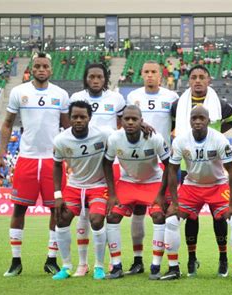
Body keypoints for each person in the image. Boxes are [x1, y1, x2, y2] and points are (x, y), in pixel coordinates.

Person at [0, 52, 70, 277]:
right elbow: (7, 124)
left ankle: (51, 259)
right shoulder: (19, 92)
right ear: (31, 68)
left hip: (53, 161)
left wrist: (70, 159)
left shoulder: (61, 94)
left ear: (51, 69)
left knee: (56, 210)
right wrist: (1, 153)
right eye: (37, 66)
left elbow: (68, 130)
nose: (41, 69)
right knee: (19, 208)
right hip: (27, 159)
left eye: (45, 66)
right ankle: (15, 261)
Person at [170, 65, 232, 277]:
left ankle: (223, 258)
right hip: (188, 169)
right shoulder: (177, 105)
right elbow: (170, 126)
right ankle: (191, 260)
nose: (198, 81)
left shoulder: (220, 105)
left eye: (202, 77)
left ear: (209, 80)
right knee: (189, 219)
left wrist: (216, 139)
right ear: (189, 81)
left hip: (214, 171)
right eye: (194, 77)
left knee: (220, 218)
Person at [161, 106, 232, 281]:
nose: (198, 121)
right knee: (171, 220)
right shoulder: (180, 141)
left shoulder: (220, 140)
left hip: (218, 185)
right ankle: (174, 268)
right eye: (194, 118)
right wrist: (175, 203)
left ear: (208, 120)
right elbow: (172, 171)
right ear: (189, 121)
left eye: (202, 118)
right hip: (192, 186)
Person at [68, 63, 126, 277]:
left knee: (108, 213)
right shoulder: (75, 98)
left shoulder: (116, 99)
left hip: (109, 163)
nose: (95, 80)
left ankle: (112, 260)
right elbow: (69, 127)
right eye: (91, 76)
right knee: (83, 215)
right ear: (85, 78)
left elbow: (122, 124)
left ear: (105, 79)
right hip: (84, 163)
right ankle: (82, 264)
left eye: (99, 76)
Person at [123, 61, 178, 275]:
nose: (150, 75)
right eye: (146, 72)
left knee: (162, 212)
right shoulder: (133, 97)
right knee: (137, 211)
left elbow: (175, 124)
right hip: (138, 162)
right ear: (141, 74)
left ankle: (164, 262)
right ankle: (138, 260)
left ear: (161, 76)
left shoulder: (171, 97)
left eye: (154, 72)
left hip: (163, 162)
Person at [104, 105, 170, 280]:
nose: (131, 122)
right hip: (128, 182)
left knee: (158, 217)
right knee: (112, 217)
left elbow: (169, 165)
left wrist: (162, 193)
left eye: (135, 119)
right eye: (127, 119)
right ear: (121, 121)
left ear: (142, 121)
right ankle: (117, 266)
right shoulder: (114, 138)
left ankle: (155, 266)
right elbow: (106, 163)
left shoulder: (154, 137)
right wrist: (112, 194)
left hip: (153, 182)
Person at [51, 101, 113, 280]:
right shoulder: (61, 140)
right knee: (61, 220)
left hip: (98, 185)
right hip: (74, 186)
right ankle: (67, 266)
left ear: (89, 118)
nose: (78, 120)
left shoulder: (103, 135)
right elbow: (56, 166)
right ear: (69, 119)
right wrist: (58, 194)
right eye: (74, 117)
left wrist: (143, 125)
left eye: (82, 117)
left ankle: (99, 267)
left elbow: (123, 136)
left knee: (96, 219)